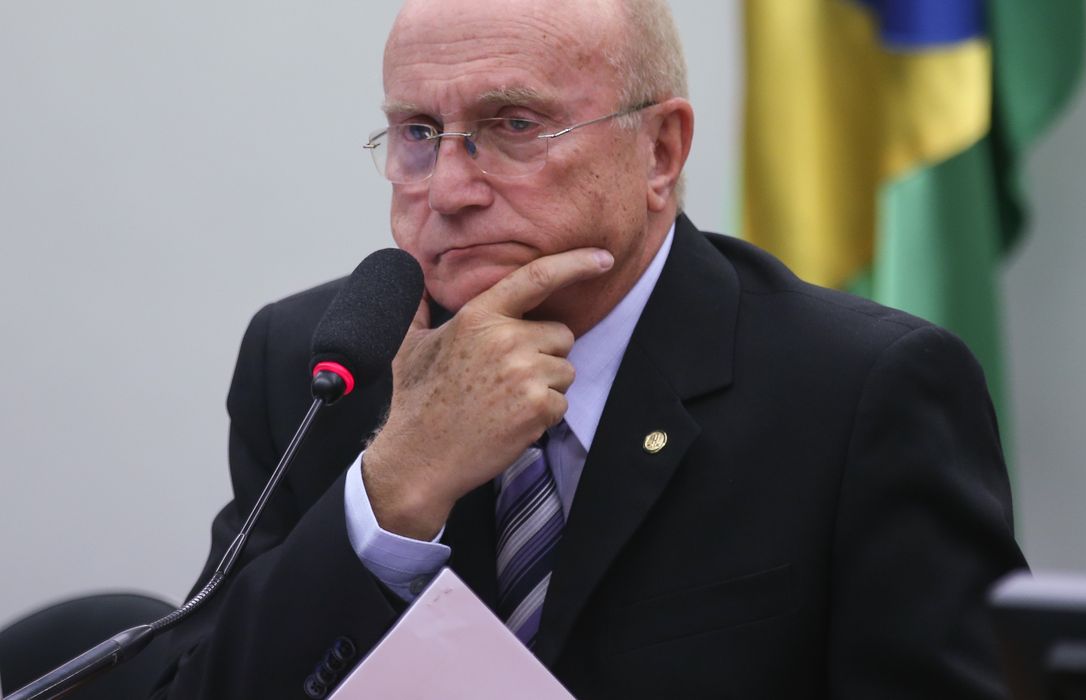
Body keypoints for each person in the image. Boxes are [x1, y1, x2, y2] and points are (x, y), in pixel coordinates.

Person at [154, 0, 1026, 697]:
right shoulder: (321, 368)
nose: (450, 188)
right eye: (418, 132)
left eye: (515, 124)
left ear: (661, 150)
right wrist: (393, 494)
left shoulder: (860, 393)